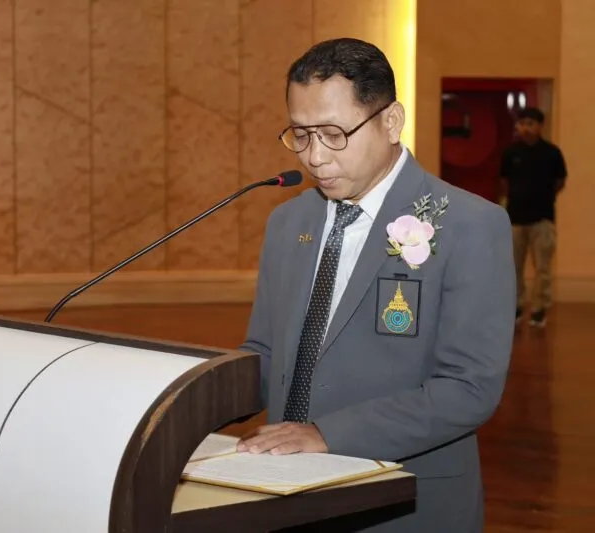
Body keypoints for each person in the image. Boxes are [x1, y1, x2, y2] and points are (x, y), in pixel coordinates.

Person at [236, 38, 515, 532]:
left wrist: (327, 434)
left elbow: (468, 388)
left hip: (404, 502)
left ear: (390, 121)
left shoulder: (469, 225)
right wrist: (178, 399)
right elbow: (264, 351)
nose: (314, 156)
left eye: (333, 134)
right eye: (300, 134)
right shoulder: (287, 223)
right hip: (285, 492)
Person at [500, 107, 567, 328]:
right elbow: (504, 181)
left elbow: (560, 181)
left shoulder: (552, 153)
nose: (525, 128)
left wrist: (543, 197)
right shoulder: (511, 152)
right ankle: (516, 307)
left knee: (543, 268)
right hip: (515, 219)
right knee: (513, 267)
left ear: (540, 126)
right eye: (522, 124)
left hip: (543, 219)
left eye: (530, 124)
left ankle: (539, 309)